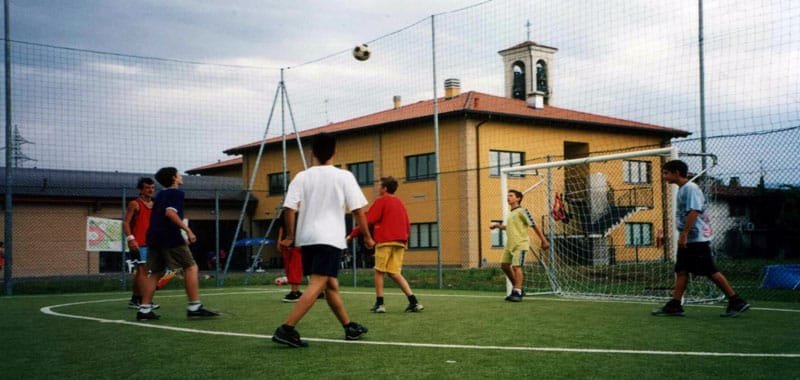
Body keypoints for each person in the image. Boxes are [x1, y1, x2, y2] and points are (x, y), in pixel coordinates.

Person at [272, 132, 375, 348]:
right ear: (335, 152)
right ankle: (286, 328)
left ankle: (349, 327)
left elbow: (289, 209)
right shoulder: (344, 176)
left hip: (307, 239)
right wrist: (366, 236)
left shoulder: (301, 176)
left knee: (331, 285)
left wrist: (291, 236)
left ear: (312, 154)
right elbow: (358, 211)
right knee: (319, 283)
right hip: (329, 238)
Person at [652, 160, 750, 317]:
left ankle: (736, 301)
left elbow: (694, 212)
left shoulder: (690, 188)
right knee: (682, 270)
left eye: (666, 173)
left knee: (710, 271)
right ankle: (675, 305)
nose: (664, 176)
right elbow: (682, 215)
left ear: (677, 173)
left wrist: (684, 234)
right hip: (689, 239)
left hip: (697, 239)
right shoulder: (682, 189)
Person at [136, 167, 218, 321]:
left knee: (154, 272)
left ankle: (144, 309)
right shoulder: (176, 193)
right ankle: (194, 306)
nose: (181, 176)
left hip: (153, 237)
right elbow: (170, 213)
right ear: (174, 178)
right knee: (191, 266)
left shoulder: (160, 195)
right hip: (169, 236)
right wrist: (188, 230)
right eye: (179, 174)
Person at [347, 176, 423, 313]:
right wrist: (405, 240)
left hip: (386, 241)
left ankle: (380, 304)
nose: (378, 188)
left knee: (379, 272)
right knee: (394, 273)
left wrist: (352, 234)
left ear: (385, 188)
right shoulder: (399, 202)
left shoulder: (382, 201)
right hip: (400, 243)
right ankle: (414, 302)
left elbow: (368, 220)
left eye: (380, 186)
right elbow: (407, 223)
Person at [490, 189, 549, 302]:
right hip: (510, 244)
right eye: (508, 196)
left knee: (516, 267)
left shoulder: (522, 211)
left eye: (511, 196)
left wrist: (544, 240)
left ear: (518, 198)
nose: (508, 198)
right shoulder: (511, 213)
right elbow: (510, 227)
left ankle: (517, 291)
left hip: (520, 244)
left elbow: (533, 225)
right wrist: (498, 226)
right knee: (504, 265)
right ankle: (518, 288)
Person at [123, 177, 159, 309]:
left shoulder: (155, 205)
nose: (150, 190)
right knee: (143, 271)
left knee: (141, 272)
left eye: (153, 187)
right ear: (140, 189)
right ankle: (146, 301)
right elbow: (126, 223)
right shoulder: (135, 204)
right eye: (147, 187)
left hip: (152, 243)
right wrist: (131, 238)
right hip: (138, 243)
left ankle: (135, 299)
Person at [277, 209, 304, 302]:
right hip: (288, 244)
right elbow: (281, 227)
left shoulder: (305, 210)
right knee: (290, 268)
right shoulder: (286, 211)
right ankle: (296, 291)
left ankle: (295, 292)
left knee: (295, 268)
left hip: (298, 244)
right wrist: (279, 240)